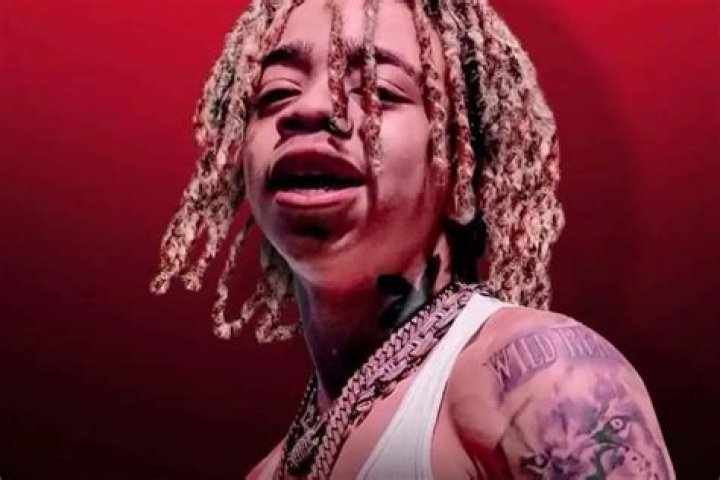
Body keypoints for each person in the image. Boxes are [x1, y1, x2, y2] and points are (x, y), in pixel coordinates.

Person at [151, 0, 675, 477]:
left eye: (379, 90)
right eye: (276, 92)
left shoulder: (542, 381)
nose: (306, 109)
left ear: (462, 162)